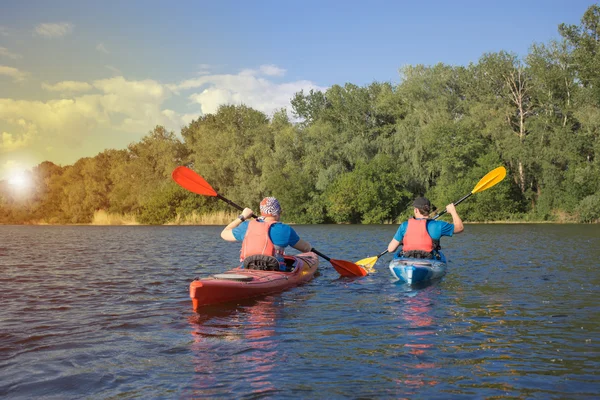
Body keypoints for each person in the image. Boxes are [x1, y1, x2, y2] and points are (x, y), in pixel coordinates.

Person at [220, 197, 312, 271]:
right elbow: (305, 248)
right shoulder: (285, 229)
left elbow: (224, 233)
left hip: (248, 268)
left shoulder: (246, 226)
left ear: (261, 212)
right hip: (275, 270)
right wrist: (310, 250)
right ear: (277, 213)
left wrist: (242, 217)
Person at [387, 197, 464, 259]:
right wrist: (453, 211)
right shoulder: (438, 225)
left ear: (416, 210)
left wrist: (401, 241)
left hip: (408, 261)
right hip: (428, 261)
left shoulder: (404, 226)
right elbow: (460, 228)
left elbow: (390, 249)